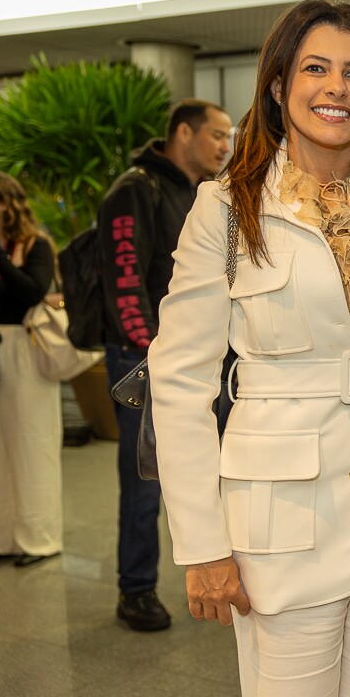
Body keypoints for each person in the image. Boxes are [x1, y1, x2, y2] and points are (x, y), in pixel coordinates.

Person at [147, 0, 350, 697]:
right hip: (280, 527)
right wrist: (201, 544)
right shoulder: (224, 208)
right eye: (316, 68)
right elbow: (180, 380)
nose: (336, 88)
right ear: (279, 84)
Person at [99, 97, 231, 631]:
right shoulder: (136, 189)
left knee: (203, 470)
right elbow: (124, 282)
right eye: (217, 135)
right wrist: (153, 354)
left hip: (198, 360)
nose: (226, 145)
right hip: (145, 362)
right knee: (146, 480)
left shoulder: (202, 194)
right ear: (183, 133)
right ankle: (136, 589)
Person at [0, 172, 63, 568]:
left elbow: (32, 292)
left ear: (11, 204)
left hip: (26, 347)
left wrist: (0, 256)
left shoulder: (36, 245)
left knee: (32, 444)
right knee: (0, 451)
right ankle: (5, 537)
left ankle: (39, 539)